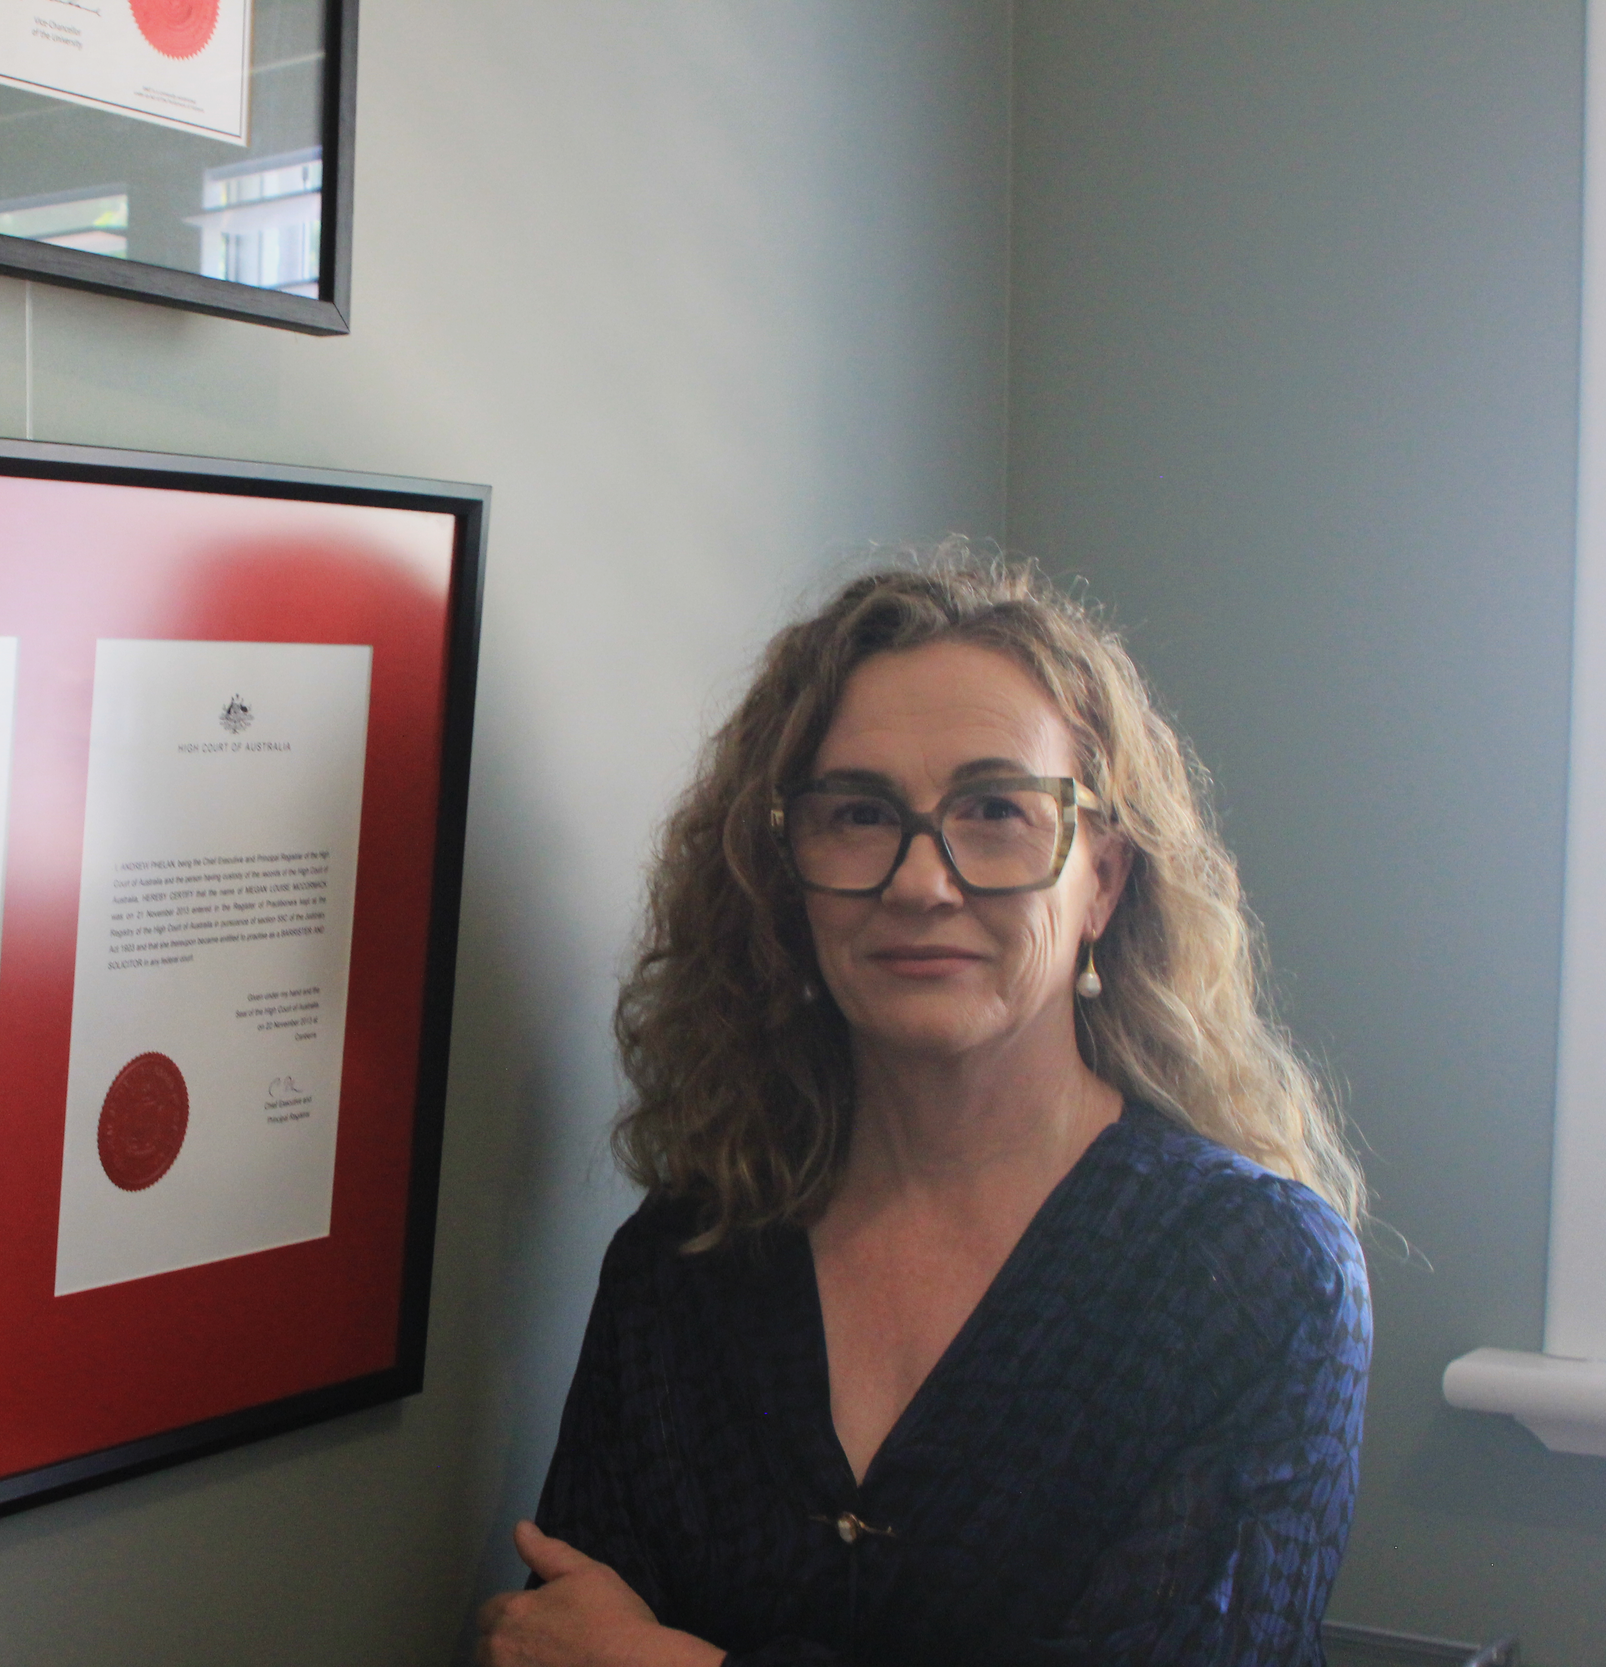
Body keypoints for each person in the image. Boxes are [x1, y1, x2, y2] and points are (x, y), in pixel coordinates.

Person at [476, 550, 1370, 1667]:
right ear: (784, 867)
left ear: (1103, 877)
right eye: (858, 812)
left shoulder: (1256, 1273)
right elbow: (558, 1643)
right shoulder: (684, 1257)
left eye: (995, 807)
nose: (920, 880)